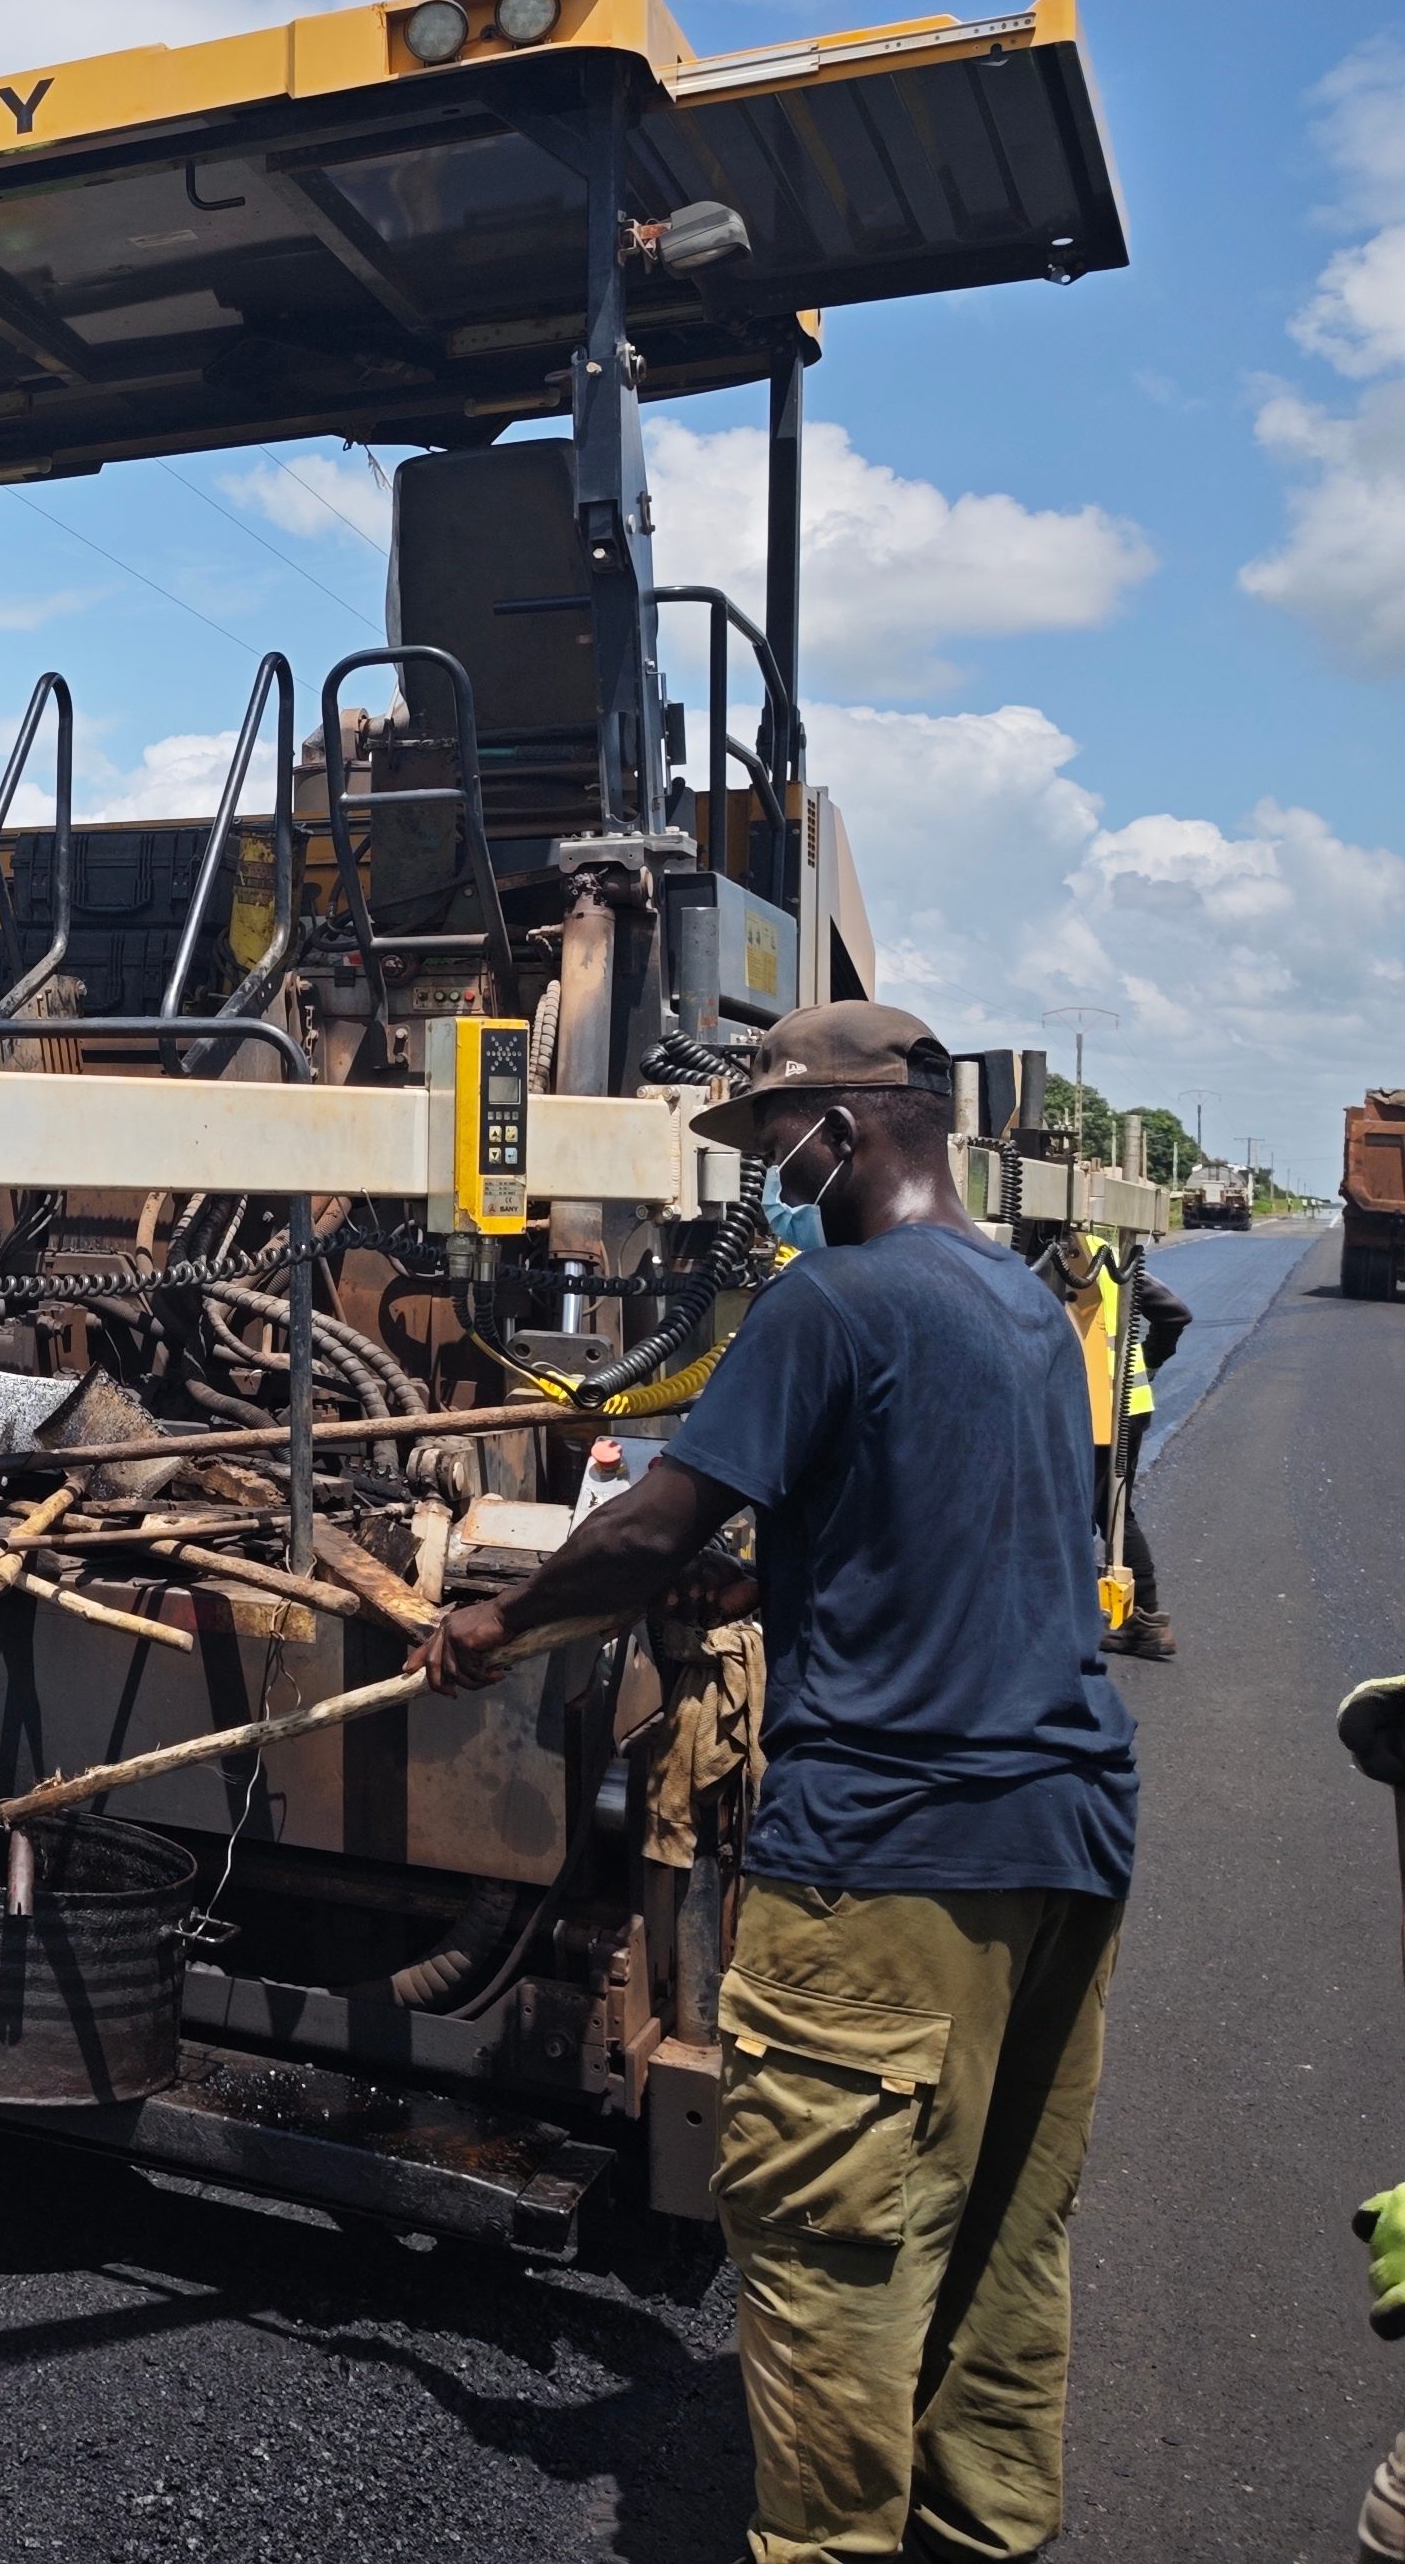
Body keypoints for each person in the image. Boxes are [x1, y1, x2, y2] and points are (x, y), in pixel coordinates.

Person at [415, 1000, 1136, 2564]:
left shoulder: (832, 1303)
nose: (771, 1175)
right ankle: (984, 2533)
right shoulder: (1024, 1310)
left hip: (889, 1858)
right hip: (1067, 1838)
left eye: (774, 1141)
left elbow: (647, 1529)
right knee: (1002, 2234)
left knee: (829, 2255)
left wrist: (496, 1626)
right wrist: (773, 1590)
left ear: (846, 1129)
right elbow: (952, 1536)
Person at [1033, 1227, 1188, 1661]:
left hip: (1093, 1406)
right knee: (1112, 1511)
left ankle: (1132, 1621)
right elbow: (1175, 1313)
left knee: (1086, 1510)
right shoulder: (1105, 1253)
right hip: (1127, 1404)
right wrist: (1147, 1361)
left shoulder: (1053, 1260)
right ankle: (1138, 1620)